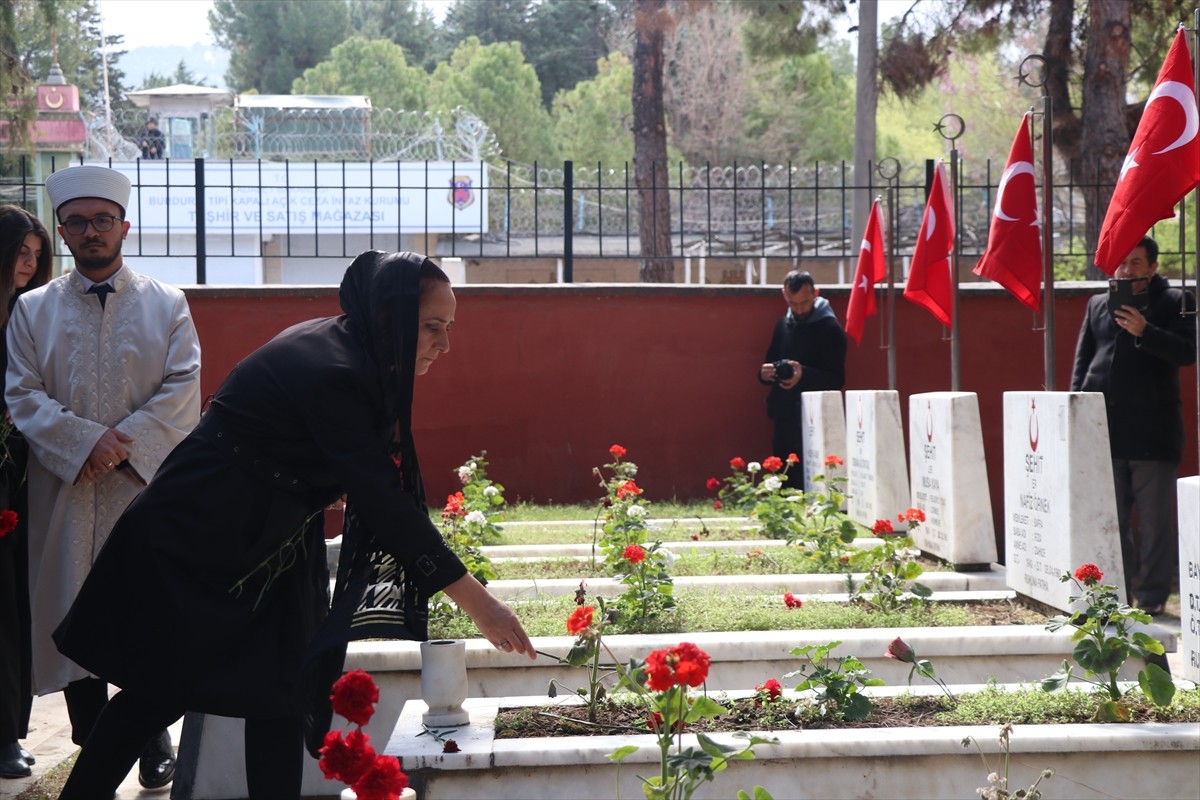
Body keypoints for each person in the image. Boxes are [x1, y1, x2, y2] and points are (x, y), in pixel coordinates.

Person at [51, 250, 535, 799]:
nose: (443, 345)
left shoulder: (355, 350)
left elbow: (346, 473)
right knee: (158, 691)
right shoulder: (334, 369)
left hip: (269, 541)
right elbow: (385, 501)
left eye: (448, 329)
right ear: (388, 318)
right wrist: (479, 603)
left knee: (278, 692)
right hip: (197, 536)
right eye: (430, 328)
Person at [5, 166, 202, 789]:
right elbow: (22, 392)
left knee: (145, 613)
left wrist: (122, 447)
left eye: (102, 220)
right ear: (62, 230)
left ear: (124, 226)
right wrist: (84, 442)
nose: (90, 232)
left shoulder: (168, 304)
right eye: (77, 222)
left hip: (140, 489)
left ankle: (151, 736)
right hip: (63, 486)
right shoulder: (32, 311)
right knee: (73, 615)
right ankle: (96, 741)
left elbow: (183, 389)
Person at [1071, 235, 1197, 615]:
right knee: (1111, 520)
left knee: (1155, 524)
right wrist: (1075, 409)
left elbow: (1187, 352)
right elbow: (1083, 362)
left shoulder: (1178, 302)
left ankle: (1154, 597)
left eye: (1137, 263)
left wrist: (1146, 331)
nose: (1128, 269)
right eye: (1123, 262)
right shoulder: (1098, 304)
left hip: (1153, 433)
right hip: (1105, 431)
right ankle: (1116, 595)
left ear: (1154, 268)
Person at [0, 206, 52, 780]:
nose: (30, 264)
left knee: (15, 608)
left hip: (23, 475)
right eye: (20, 252)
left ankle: (8, 730)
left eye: (37, 255)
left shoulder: (34, 314)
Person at [758, 270, 847, 486]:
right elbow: (770, 363)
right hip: (784, 415)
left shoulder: (830, 329)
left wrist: (803, 374)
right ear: (784, 296)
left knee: (810, 481)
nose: (799, 309)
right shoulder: (782, 325)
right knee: (785, 477)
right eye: (793, 304)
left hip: (814, 417)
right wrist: (764, 374)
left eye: (805, 303)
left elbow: (836, 379)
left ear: (815, 294)